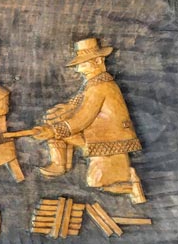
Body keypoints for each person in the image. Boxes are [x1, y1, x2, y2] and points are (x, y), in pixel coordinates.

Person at [32, 38, 146, 204]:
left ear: (98, 61)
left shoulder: (100, 87)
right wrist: (65, 110)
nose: (79, 70)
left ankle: (132, 185)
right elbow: (79, 102)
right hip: (98, 136)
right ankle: (60, 164)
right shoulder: (96, 83)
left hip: (108, 142)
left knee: (98, 182)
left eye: (83, 64)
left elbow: (82, 119)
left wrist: (54, 130)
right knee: (57, 126)